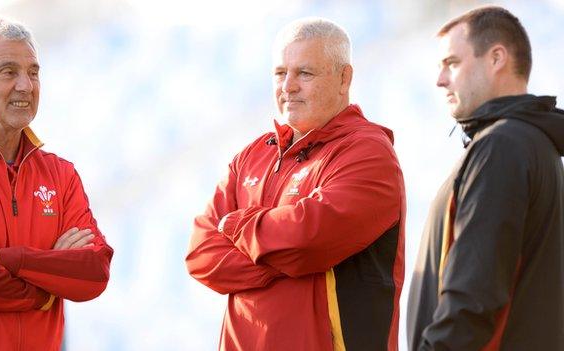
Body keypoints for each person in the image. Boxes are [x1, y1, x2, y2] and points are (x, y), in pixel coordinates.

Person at [186, 17, 406, 351]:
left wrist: (238, 226)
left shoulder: (369, 152)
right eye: (280, 73)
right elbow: (201, 255)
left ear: (344, 78)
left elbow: (307, 239)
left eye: (304, 73)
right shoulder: (252, 155)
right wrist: (277, 261)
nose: (288, 86)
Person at [0, 18, 114, 351]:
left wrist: (2, 259)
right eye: (8, 72)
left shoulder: (61, 175)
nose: (26, 85)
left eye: (33, 72)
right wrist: (47, 285)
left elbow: (94, 271)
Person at [407, 6, 564, 351]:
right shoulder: (530, 144)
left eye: (452, 63)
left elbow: (474, 296)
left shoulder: (503, 146)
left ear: (496, 58)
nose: (440, 80)